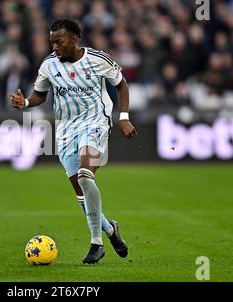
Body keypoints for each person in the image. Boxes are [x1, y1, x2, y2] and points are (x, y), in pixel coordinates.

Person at [10, 19, 137, 264]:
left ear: (74, 39)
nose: (55, 47)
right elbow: (39, 94)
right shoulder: (49, 66)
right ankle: (110, 230)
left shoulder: (98, 60)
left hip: (95, 123)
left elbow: (121, 84)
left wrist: (123, 117)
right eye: (52, 43)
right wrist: (24, 103)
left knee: (85, 176)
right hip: (66, 131)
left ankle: (96, 243)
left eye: (59, 42)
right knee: (81, 194)